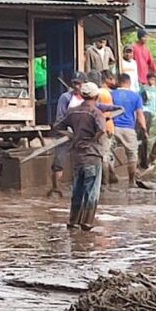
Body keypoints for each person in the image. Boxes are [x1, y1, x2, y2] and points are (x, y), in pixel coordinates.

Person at [54, 81, 106, 231]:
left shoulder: (73, 111)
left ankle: (73, 221)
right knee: (91, 190)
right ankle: (87, 222)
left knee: (77, 189)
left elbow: (58, 126)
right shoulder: (96, 112)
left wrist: (72, 135)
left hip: (77, 156)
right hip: (92, 155)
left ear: (82, 95)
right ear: (96, 96)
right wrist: (94, 139)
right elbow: (102, 130)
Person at [49, 72, 86, 196]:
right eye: (74, 83)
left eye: (79, 84)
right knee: (58, 163)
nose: (77, 86)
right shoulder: (65, 98)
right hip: (65, 134)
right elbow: (59, 119)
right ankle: (56, 189)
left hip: (82, 136)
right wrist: (67, 132)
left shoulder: (88, 99)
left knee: (83, 163)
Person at [113, 72, 147, 186]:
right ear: (129, 83)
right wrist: (144, 129)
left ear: (118, 82)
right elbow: (140, 115)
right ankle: (131, 181)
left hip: (113, 127)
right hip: (128, 127)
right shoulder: (135, 96)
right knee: (132, 154)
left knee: (107, 154)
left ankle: (107, 181)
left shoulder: (111, 94)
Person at [98, 69, 119, 185]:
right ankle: (110, 177)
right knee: (106, 153)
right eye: (112, 78)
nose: (114, 81)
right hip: (108, 126)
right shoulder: (107, 94)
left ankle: (105, 182)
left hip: (103, 127)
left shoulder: (100, 93)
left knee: (104, 155)